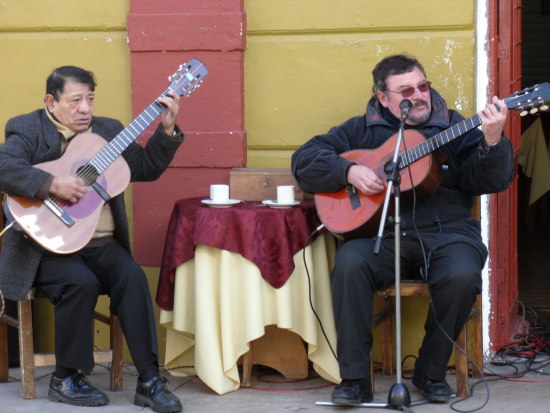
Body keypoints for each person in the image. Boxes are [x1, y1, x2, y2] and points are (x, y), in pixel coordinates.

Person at [291, 54, 514, 404]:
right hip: (384, 233)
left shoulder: (455, 126)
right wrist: (347, 172)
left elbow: (493, 180)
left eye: (423, 86)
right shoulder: (361, 129)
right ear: (384, 98)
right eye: (406, 90)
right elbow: (304, 160)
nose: (420, 95)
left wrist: (494, 141)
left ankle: (430, 371)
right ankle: (354, 380)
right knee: (350, 263)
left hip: (448, 232)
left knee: (461, 273)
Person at [0, 66, 184, 412]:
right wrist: (50, 184)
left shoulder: (108, 131)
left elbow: (144, 168)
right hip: (45, 248)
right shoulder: (28, 128)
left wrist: (168, 129)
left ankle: (149, 380)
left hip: (101, 244)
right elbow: (3, 167)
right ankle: (65, 378)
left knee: (132, 275)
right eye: (75, 101)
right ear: (50, 102)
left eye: (90, 99)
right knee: (79, 283)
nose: (85, 108)